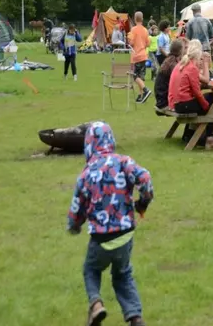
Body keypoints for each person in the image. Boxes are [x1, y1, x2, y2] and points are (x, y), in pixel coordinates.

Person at [67, 121, 153, 326]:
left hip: (101, 236)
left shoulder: (86, 174)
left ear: (88, 144)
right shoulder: (124, 162)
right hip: (125, 233)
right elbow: (145, 179)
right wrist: (142, 203)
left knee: (91, 270)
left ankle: (96, 304)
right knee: (123, 274)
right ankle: (135, 317)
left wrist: (74, 225)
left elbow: (77, 205)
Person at [168, 40, 213, 150]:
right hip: (183, 104)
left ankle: (192, 135)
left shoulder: (181, 64)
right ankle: (209, 139)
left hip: (177, 103)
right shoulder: (191, 68)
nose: (200, 62)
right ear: (197, 57)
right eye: (200, 59)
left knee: (207, 101)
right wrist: (206, 105)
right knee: (211, 98)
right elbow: (197, 93)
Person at [128, 12, 152, 104]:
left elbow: (131, 43)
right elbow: (148, 43)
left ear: (134, 19)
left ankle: (146, 90)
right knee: (141, 76)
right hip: (143, 55)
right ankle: (140, 96)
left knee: (134, 76)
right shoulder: (145, 30)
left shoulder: (133, 30)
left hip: (136, 55)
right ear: (142, 19)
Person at [154, 39, 183, 111]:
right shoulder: (173, 64)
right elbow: (180, 81)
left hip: (161, 100)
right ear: (180, 51)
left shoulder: (169, 60)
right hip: (164, 103)